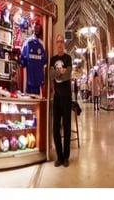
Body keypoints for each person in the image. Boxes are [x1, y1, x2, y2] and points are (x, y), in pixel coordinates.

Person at [50, 34, 73, 167]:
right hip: (57, 97)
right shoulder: (53, 59)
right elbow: (51, 75)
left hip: (67, 97)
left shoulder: (68, 58)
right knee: (55, 128)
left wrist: (59, 72)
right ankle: (59, 156)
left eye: (61, 42)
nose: (59, 44)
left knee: (67, 127)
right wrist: (61, 71)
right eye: (57, 42)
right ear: (56, 44)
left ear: (64, 44)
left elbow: (68, 75)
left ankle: (66, 157)